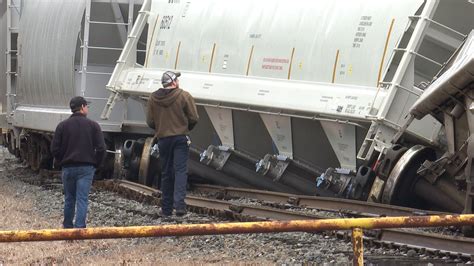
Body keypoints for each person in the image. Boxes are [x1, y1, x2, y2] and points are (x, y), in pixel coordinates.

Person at [146, 71, 199, 217]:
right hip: (180, 138)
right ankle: (180, 206)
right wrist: (185, 128)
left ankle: (166, 209)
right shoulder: (184, 96)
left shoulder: (153, 98)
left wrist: (161, 128)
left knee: (166, 173)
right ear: (174, 82)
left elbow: (150, 121)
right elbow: (194, 117)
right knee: (180, 171)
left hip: (163, 139)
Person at [51, 96, 106, 228]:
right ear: (82, 107)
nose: (87, 108)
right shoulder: (93, 125)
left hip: (68, 167)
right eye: (87, 106)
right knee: (82, 199)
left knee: (69, 199)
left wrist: (61, 161)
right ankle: (79, 229)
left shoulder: (62, 126)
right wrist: (96, 165)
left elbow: (54, 149)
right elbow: (101, 149)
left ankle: (67, 227)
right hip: (86, 168)